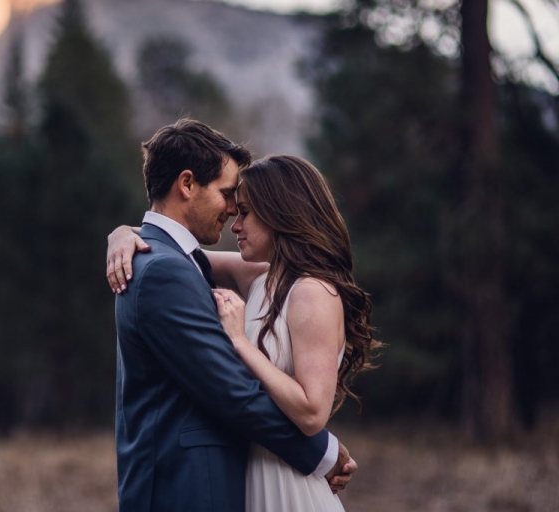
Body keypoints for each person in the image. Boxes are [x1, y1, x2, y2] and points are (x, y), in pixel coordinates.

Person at [108, 153, 380, 511]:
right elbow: (172, 252)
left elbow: (313, 413)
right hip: (249, 473)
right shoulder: (258, 276)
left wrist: (239, 342)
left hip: (288, 485)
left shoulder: (314, 292)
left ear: (283, 214)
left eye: (247, 213)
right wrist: (122, 234)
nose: (235, 224)